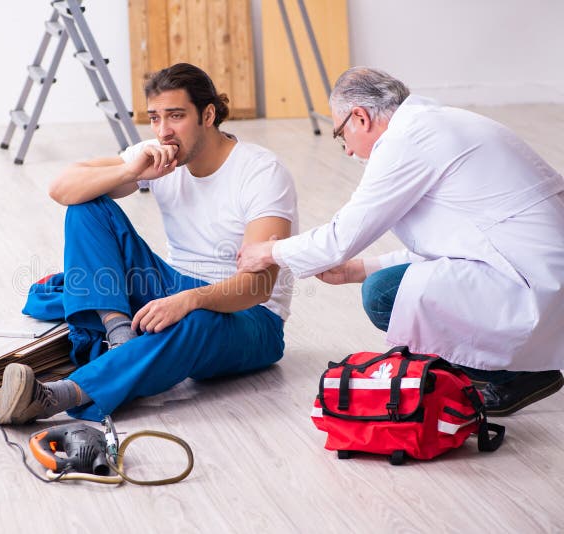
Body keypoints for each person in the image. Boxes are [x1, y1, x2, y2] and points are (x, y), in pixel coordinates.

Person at [238, 66, 564, 417]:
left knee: (383, 295)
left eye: (340, 135)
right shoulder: (435, 122)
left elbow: (340, 236)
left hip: (529, 278)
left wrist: (269, 251)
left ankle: (514, 375)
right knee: (384, 283)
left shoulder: (406, 141)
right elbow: (455, 241)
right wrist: (359, 268)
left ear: (360, 117)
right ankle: (496, 367)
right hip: (528, 262)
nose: (346, 150)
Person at [0, 63, 298, 424]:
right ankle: (120, 336)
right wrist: (131, 172)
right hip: (173, 283)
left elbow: (259, 287)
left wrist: (187, 301)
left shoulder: (261, 172)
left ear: (208, 114)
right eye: (155, 118)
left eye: (176, 116)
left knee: (196, 320)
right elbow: (61, 188)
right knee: (87, 206)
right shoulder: (159, 154)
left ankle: (57, 396)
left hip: (251, 317)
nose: (163, 131)